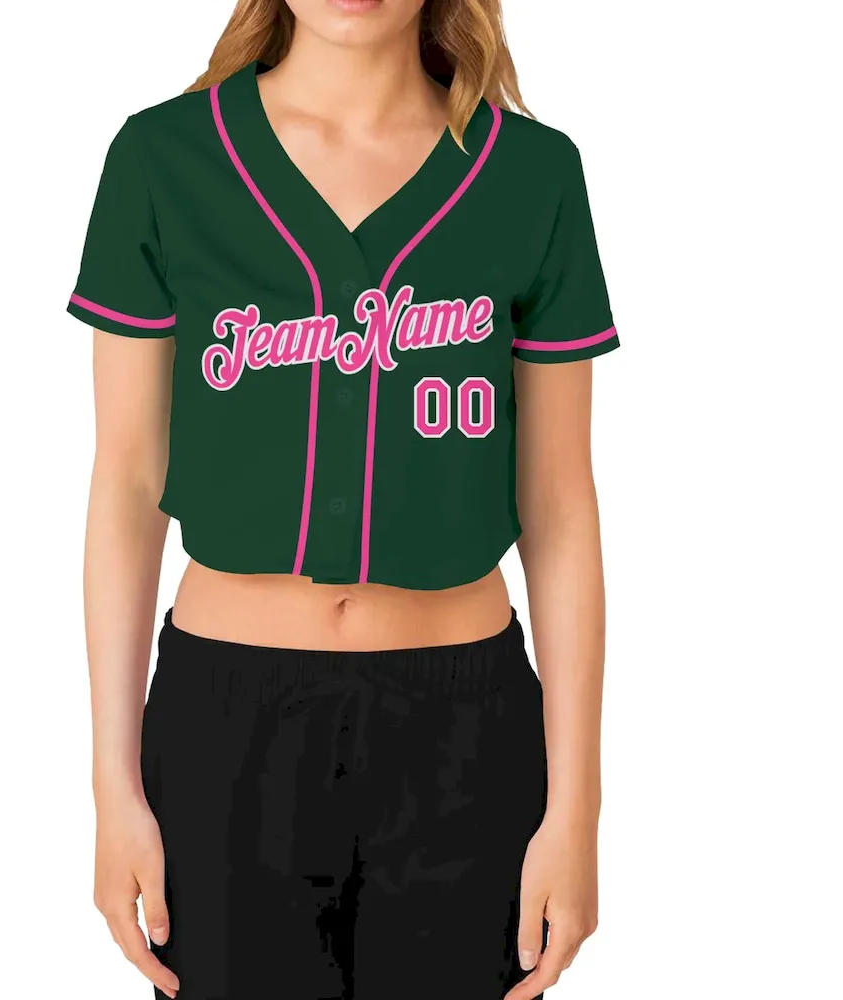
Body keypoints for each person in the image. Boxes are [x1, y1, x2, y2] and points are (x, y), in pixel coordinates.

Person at [66, 1, 618, 997]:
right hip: (225, 729)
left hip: (466, 729)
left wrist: (575, 809)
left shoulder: (531, 174)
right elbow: (126, 487)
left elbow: (561, 507)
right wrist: (113, 786)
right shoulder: (163, 159)